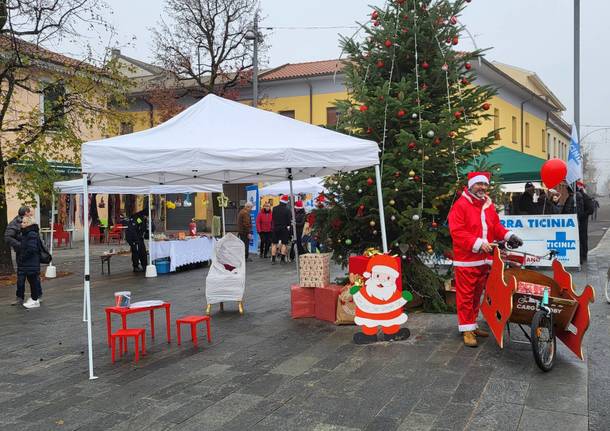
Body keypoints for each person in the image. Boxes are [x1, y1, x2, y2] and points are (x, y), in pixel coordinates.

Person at [448, 172, 523, 347]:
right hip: (467, 260)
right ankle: (466, 329)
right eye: (478, 184)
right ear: (471, 185)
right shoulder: (461, 205)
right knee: (466, 296)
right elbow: (457, 232)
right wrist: (479, 243)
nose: (482, 187)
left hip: (484, 260)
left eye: (484, 184)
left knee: (476, 296)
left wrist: (508, 235)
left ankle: (471, 325)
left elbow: (495, 226)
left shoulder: (487, 205)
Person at [5, 206, 32, 305]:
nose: (31, 214)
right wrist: (20, 246)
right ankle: (20, 297)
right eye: (30, 212)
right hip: (22, 254)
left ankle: (35, 296)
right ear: (25, 213)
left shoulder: (31, 222)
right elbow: (8, 237)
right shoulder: (15, 223)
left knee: (32, 275)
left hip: (32, 253)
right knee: (22, 275)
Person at [17, 216, 43, 309]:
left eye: (24, 222)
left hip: (31, 263)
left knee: (33, 282)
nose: (22, 224)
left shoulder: (31, 234)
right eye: (22, 222)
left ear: (29, 224)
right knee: (32, 281)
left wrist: (22, 258)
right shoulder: (27, 233)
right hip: (29, 263)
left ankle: (35, 300)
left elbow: (31, 249)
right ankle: (33, 299)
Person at [271, 195, 291, 265]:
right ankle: (282, 259)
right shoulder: (287, 210)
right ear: (286, 202)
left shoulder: (274, 208)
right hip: (284, 228)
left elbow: (272, 218)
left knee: (274, 243)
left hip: (275, 227)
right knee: (284, 244)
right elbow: (289, 221)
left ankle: (273, 259)